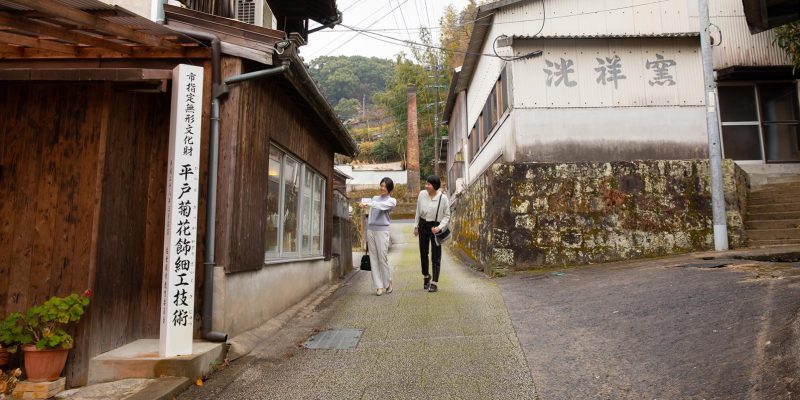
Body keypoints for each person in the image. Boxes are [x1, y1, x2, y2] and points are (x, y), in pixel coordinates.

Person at [413, 175, 450, 293]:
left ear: (435, 186)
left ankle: (434, 282)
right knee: (423, 253)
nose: (426, 186)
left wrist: (439, 227)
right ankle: (426, 276)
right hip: (423, 225)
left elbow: (447, 215)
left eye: (428, 184)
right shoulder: (422, 194)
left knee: (436, 255)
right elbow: (418, 211)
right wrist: (415, 226)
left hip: (435, 227)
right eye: (426, 183)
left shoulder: (443, 198)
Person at [366, 177, 397, 296]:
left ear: (389, 189)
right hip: (371, 230)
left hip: (382, 231)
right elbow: (371, 213)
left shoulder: (392, 201)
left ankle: (387, 282)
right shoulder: (374, 199)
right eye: (381, 185)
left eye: (385, 186)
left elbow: (380, 206)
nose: (382, 188)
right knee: (373, 258)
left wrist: (368, 203)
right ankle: (378, 286)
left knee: (382, 258)